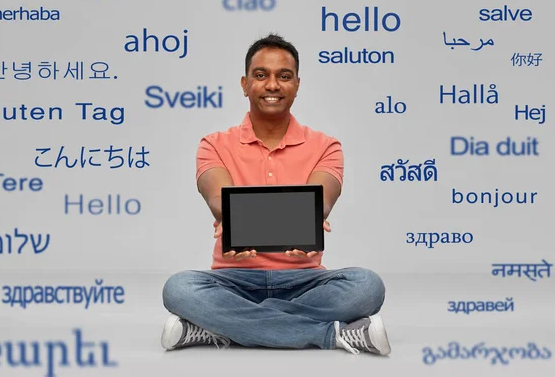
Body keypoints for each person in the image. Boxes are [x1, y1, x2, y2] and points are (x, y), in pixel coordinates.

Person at [161, 34, 391, 355]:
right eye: (261, 75)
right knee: (180, 289)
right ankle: (331, 335)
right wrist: (231, 217)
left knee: (366, 286)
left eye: (284, 76)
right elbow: (218, 197)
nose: (272, 85)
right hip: (234, 281)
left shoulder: (326, 146)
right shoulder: (213, 144)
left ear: (297, 85)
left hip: (304, 282)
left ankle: (218, 325)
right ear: (244, 84)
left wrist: (311, 217)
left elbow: (322, 199)